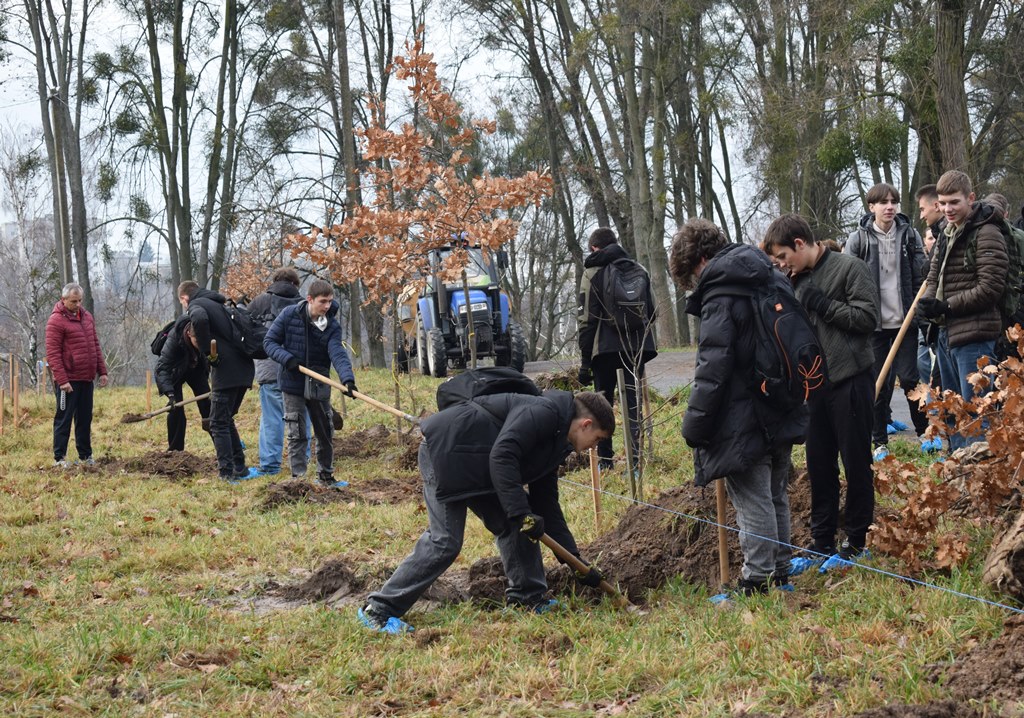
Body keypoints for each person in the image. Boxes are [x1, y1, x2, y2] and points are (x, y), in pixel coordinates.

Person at [359, 390, 615, 634]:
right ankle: (378, 610)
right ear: (585, 424)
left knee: (516, 524)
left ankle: (528, 600)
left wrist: (576, 562)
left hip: (479, 464)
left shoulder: (558, 440)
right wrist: (520, 512)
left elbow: (547, 503)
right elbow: (503, 454)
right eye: (598, 439)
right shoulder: (544, 413)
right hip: (446, 453)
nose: (595, 447)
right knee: (445, 541)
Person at [670, 219, 808, 596]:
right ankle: (780, 572)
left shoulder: (720, 294)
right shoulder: (772, 274)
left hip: (742, 414)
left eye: (692, 276)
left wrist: (694, 426)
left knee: (751, 498)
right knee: (776, 490)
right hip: (781, 402)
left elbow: (712, 368)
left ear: (701, 259)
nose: (696, 284)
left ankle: (758, 579)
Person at [763, 214, 879, 563]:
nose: (782, 265)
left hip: (851, 380)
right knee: (818, 464)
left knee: (856, 461)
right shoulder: (791, 282)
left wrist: (822, 303)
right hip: (812, 388)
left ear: (800, 244)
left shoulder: (849, 268)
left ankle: (857, 539)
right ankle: (822, 539)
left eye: (783, 257)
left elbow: (867, 319)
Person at [917, 170, 1008, 450]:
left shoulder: (988, 231)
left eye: (954, 202)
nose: (948, 209)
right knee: (955, 413)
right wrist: (929, 306)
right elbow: (934, 277)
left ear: (970, 198)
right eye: (943, 203)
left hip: (976, 337)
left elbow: (991, 287)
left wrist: (947, 306)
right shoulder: (946, 231)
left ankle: (982, 485)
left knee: (977, 415)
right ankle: (961, 477)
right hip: (946, 334)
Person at [843, 183, 930, 459]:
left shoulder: (909, 235)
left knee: (910, 380)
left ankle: (926, 437)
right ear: (872, 207)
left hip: (904, 321)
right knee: (877, 385)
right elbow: (847, 280)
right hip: (875, 327)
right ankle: (879, 442)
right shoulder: (859, 239)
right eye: (883, 202)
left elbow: (919, 276)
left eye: (894, 202)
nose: (889, 206)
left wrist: (919, 313)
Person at [577, 227, 657, 473]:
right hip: (635, 348)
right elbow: (652, 312)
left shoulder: (591, 273)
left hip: (605, 350)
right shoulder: (639, 269)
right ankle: (635, 464)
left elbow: (586, 320)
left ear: (593, 248)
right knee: (632, 404)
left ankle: (605, 462)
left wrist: (585, 362)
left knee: (602, 404)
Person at [263, 278, 356, 485]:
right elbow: (269, 342)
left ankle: (326, 476)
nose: (327, 306)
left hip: (319, 381)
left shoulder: (331, 325)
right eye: (323, 301)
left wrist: (347, 379)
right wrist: (288, 359)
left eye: (330, 301)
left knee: (325, 430)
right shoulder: (289, 315)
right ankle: (299, 480)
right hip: (292, 381)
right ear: (310, 299)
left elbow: (337, 353)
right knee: (296, 432)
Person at [180, 280, 255, 481]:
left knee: (217, 423)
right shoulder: (218, 304)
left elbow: (199, 319)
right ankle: (240, 467)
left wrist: (207, 352)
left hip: (227, 371)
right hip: (244, 369)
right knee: (225, 419)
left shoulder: (197, 306)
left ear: (184, 298)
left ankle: (226, 473)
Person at [245, 267, 303, 476]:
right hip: (298, 369)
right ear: (295, 284)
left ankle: (270, 465)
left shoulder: (259, 302)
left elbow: (246, 332)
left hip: (268, 369)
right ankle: (301, 461)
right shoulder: (303, 304)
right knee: (299, 417)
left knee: (271, 418)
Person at [45, 283, 108, 467]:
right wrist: (62, 380)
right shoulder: (55, 321)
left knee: (85, 419)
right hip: (68, 381)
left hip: (86, 378)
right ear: (63, 299)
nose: (78, 304)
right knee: (64, 418)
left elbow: (95, 344)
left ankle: (86, 456)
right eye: (73, 301)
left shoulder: (87, 317)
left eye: (80, 300)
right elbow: (53, 354)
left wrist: (102, 371)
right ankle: (59, 458)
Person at [154, 316, 211, 451]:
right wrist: (170, 393)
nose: (200, 344)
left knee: (208, 406)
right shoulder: (174, 340)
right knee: (176, 410)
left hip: (195, 367)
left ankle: (223, 449)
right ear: (188, 334)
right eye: (197, 341)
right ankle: (175, 452)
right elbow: (162, 369)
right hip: (175, 370)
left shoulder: (204, 335)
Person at [915, 184, 946, 387]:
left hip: (948, 321)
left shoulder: (946, 234)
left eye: (922, 209)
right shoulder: (940, 234)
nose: (921, 215)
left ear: (935, 205)